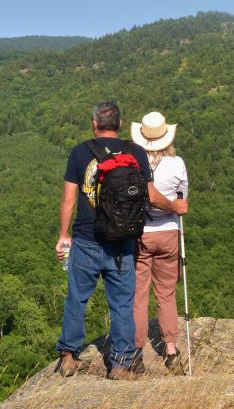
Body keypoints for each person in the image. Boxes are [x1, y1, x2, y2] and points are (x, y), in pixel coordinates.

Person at [55, 101, 181, 380]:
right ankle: (121, 364)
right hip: (122, 241)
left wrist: (64, 236)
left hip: (87, 238)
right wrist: (175, 207)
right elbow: (150, 194)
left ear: (94, 123)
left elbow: (68, 199)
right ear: (121, 125)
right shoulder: (134, 151)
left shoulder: (79, 152)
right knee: (123, 303)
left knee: (77, 298)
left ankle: (68, 356)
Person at [130, 111, 190, 372]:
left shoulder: (132, 163)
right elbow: (182, 198)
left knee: (138, 295)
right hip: (168, 233)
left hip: (140, 232)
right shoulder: (177, 164)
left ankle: (136, 351)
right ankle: (171, 349)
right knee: (166, 293)